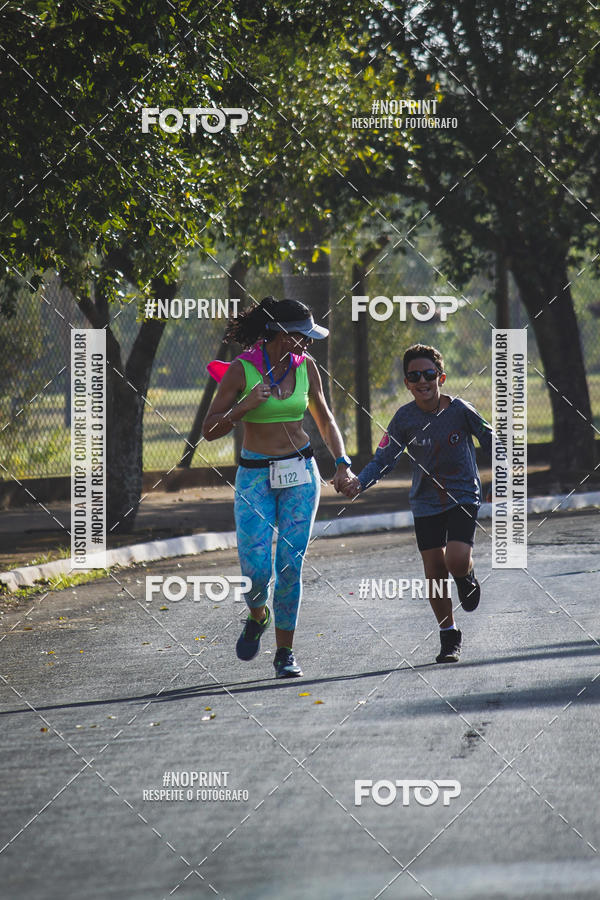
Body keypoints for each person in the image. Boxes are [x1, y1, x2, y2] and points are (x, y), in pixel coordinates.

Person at [203, 297, 353, 677]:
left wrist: (342, 463)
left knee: (290, 566)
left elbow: (324, 417)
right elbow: (209, 430)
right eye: (301, 335)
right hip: (255, 476)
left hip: (301, 473)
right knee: (255, 572)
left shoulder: (308, 368)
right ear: (280, 333)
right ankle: (258, 615)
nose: (307, 342)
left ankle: (285, 653)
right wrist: (244, 406)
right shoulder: (241, 371)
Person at [339, 343, 493, 664]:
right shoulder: (403, 419)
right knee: (434, 571)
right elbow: (384, 458)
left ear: (441, 377)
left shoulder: (461, 410)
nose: (423, 381)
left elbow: (492, 439)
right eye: (414, 376)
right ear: (407, 383)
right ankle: (449, 635)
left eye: (429, 374)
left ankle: (465, 576)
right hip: (425, 502)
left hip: (463, 494)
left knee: (456, 559)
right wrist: (358, 483)